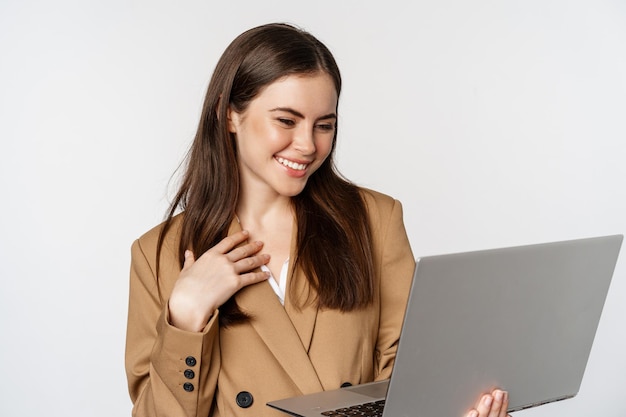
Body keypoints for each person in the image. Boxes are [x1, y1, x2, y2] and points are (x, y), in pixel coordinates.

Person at [125, 23, 510, 417]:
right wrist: (185, 318)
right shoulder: (158, 254)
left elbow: (412, 379)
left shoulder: (373, 221)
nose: (308, 145)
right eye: (286, 121)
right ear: (229, 115)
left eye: (324, 125)